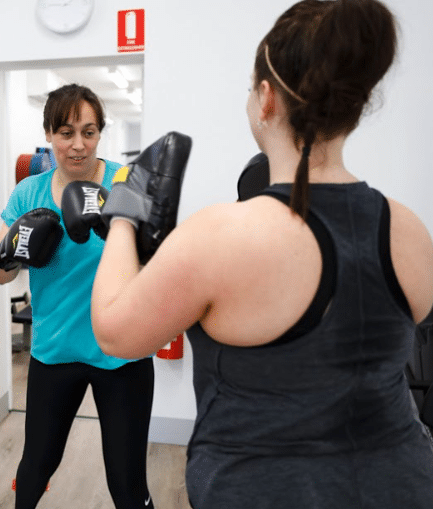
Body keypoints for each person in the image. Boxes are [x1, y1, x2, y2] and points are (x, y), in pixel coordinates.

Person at [90, 1, 433, 508]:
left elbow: (115, 332)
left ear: (266, 99)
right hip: (406, 483)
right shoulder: (407, 228)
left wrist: (123, 211)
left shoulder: (223, 234)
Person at [0, 83, 155, 509]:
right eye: (66, 132)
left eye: (89, 131)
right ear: (49, 134)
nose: (78, 145)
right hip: (55, 351)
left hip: (122, 355)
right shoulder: (29, 191)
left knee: (127, 483)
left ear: (100, 133)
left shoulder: (126, 181)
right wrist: (14, 249)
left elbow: (158, 260)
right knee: (36, 466)